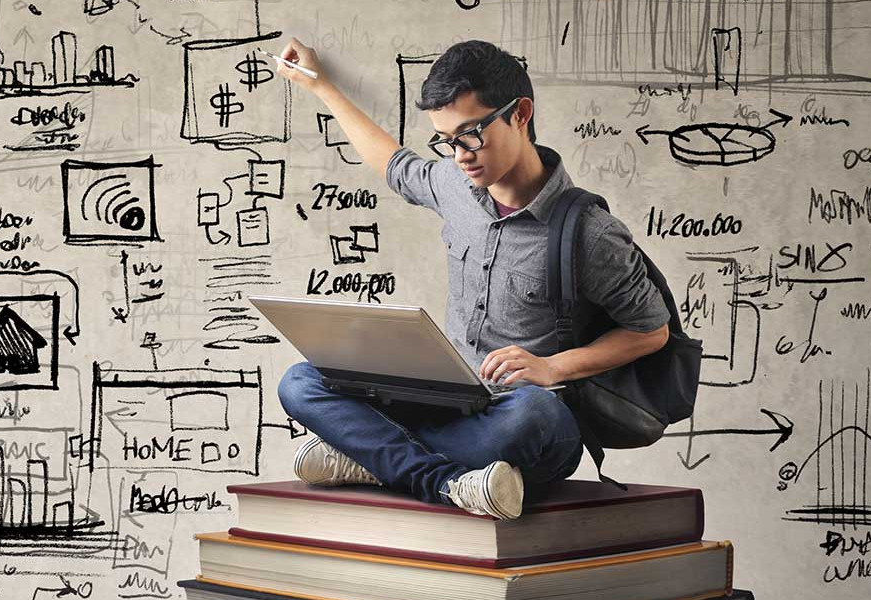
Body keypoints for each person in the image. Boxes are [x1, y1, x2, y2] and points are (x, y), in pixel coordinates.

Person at [273, 39, 672, 519]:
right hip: (442, 403)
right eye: (445, 140)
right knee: (300, 380)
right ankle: (446, 482)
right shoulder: (455, 186)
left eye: (471, 133)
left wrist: (553, 368)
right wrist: (320, 85)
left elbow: (651, 330)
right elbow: (395, 165)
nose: (460, 154)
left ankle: (372, 455)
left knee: (534, 417)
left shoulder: (591, 233)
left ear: (520, 114)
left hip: (517, 418)